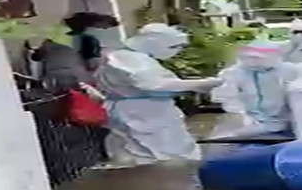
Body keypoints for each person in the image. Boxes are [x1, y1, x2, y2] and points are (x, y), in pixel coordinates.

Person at [95, 23, 223, 167]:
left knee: (167, 146)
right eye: (173, 47)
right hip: (140, 113)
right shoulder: (127, 58)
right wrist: (200, 84)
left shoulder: (139, 57)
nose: (177, 51)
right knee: (152, 150)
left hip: (151, 110)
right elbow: (151, 84)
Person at [210, 39, 302, 138]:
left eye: (258, 58)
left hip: (290, 123)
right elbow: (227, 95)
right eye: (250, 58)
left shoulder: (291, 70)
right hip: (254, 124)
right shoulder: (237, 72)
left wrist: (300, 86)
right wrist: (241, 116)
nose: (254, 62)